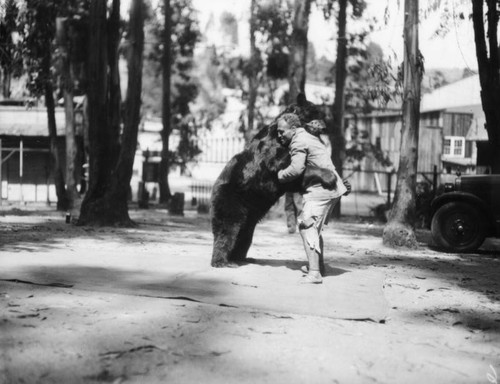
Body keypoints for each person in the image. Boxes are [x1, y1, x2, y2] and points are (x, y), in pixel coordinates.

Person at [276, 113, 349, 284]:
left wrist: (279, 175)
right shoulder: (308, 136)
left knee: (305, 225)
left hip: (321, 190)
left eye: (282, 132)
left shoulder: (298, 141)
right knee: (313, 228)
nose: (280, 135)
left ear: (293, 129)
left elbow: (296, 168)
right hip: (330, 188)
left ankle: (315, 272)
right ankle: (318, 267)